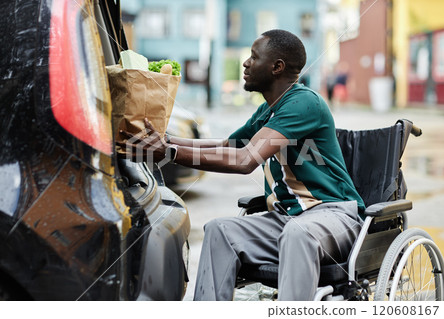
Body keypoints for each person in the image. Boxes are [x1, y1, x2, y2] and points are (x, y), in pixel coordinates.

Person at [120, 29, 365, 301]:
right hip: (287, 221)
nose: (246, 63)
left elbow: (245, 159)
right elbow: (228, 146)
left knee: (298, 233)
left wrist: (171, 152)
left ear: (277, 67)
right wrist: (166, 141)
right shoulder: (268, 110)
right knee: (219, 231)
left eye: (253, 57)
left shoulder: (304, 103)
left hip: (333, 216)